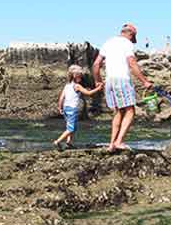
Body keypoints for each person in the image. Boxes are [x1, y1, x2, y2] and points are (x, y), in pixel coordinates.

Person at [93, 23, 153, 152]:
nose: (133, 41)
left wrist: (98, 80)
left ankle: (111, 145)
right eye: (133, 38)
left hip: (109, 81)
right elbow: (131, 63)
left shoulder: (108, 43)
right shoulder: (126, 43)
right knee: (130, 111)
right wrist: (145, 82)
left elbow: (96, 64)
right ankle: (119, 141)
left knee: (119, 111)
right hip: (122, 80)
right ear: (130, 34)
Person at [53, 65, 101, 151]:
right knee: (71, 128)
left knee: (71, 127)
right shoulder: (77, 86)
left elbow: (61, 98)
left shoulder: (67, 85)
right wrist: (98, 88)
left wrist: (60, 107)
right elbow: (88, 93)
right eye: (80, 76)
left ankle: (69, 143)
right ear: (75, 76)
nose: (81, 78)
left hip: (66, 108)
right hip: (72, 109)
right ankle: (58, 141)